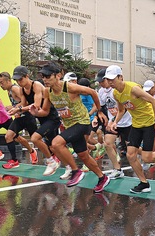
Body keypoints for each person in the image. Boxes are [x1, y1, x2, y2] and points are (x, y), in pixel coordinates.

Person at [29, 62, 111, 193]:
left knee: (56, 143)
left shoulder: (70, 87)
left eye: (48, 76)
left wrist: (99, 111)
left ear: (58, 75)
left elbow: (92, 92)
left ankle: (75, 171)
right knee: (84, 156)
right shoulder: (47, 91)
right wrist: (35, 113)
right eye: (43, 76)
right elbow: (45, 111)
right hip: (70, 125)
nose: (45, 79)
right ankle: (103, 178)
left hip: (82, 122)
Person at [105, 65, 155, 193]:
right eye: (108, 80)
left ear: (121, 77)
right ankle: (144, 183)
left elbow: (154, 102)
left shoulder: (133, 89)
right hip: (136, 124)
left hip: (148, 123)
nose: (110, 82)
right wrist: (115, 122)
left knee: (148, 158)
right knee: (131, 155)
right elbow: (121, 110)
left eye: (112, 79)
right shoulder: (116, 93)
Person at [5, 66, 61, 175]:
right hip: (41, 119)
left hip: (51, 118)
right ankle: (62, 163)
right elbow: (24, 105)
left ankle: (54, 161)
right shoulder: (22, 89)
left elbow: (36, 105)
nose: (19, 82)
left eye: (21, 79)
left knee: (43, 141)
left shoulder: (36, 86)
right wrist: (15, 110)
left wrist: (19, 109)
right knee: (53, 145)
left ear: (27, 76)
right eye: (16, 80)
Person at [95, 68, 132, 179]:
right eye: (99, 81)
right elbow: (100, 106)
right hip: (113, 124)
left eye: (103, 81)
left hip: (126, 122)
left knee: (132, 149)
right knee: (107, 144)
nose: (101, 83)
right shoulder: (101, 92)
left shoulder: (116, 90)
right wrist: (99, 115)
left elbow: (124, 109)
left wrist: (112, 121)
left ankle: (152, 154)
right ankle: (117, 169)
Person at [0, 72, 39, 162]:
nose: (1, 85)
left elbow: (26, 103)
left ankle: (51, 156)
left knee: (36, 140)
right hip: (19, 117)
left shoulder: (15, 88)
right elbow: (17, 103)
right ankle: (14, 160)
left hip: (27, 116)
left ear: (8, 81)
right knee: (9, 136)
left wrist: (13, 108)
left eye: (2, 83)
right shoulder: (9, 91)